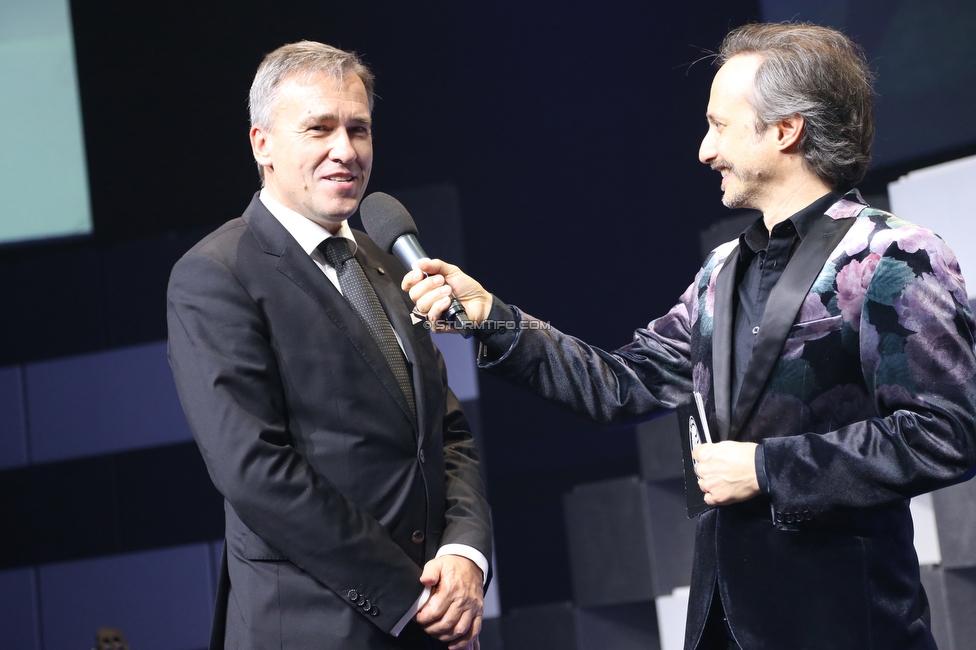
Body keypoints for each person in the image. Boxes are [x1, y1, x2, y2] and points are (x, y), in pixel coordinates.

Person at [404, 22, 976, 650]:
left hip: (844, 622)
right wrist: (492, 317)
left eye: (719, 126)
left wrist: (767, 467)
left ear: (785, 131)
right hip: (720, 621)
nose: (705, 150)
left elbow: (946, 432)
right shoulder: (722, 270)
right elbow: (619, 386)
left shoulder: (892, 255)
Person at [167, 41, 491, 650]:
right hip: (316, 627)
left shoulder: (387, 258)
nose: (346, 149)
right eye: (319, 128)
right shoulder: (215, 274)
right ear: (262, 144)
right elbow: (255, 471)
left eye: (359, 129)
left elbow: (444, 433)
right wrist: (413, 597)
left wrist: (464, 552)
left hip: (436, 621)